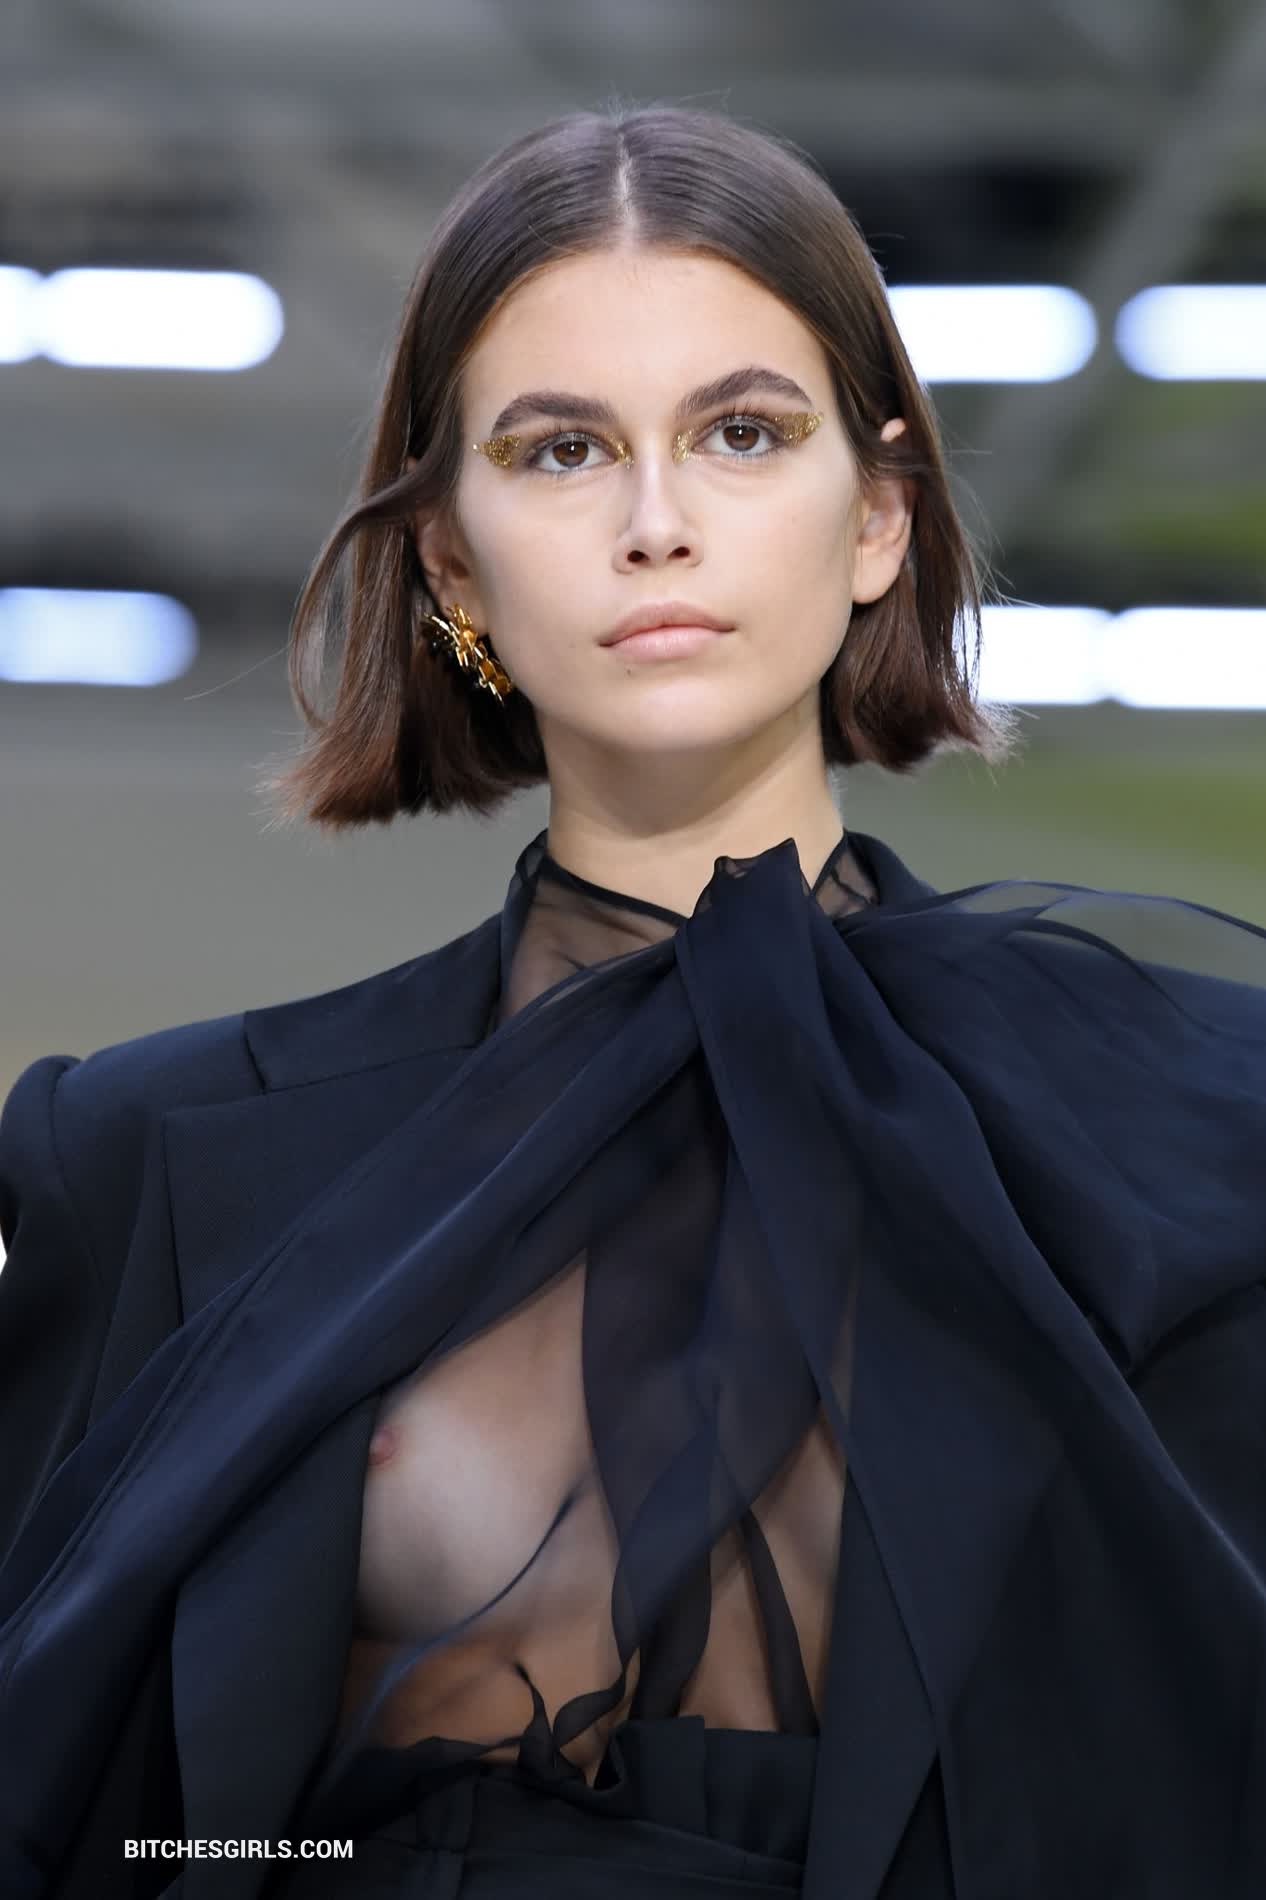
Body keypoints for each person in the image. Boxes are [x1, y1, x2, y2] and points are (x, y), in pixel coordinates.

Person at [1, 98, 1265, 1900]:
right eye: (560, 451)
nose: (655, 524)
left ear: (878, 520)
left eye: (741, 434)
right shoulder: (139, 1157)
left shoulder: (1200, 1142)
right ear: (450, 563)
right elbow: (82, 1812)